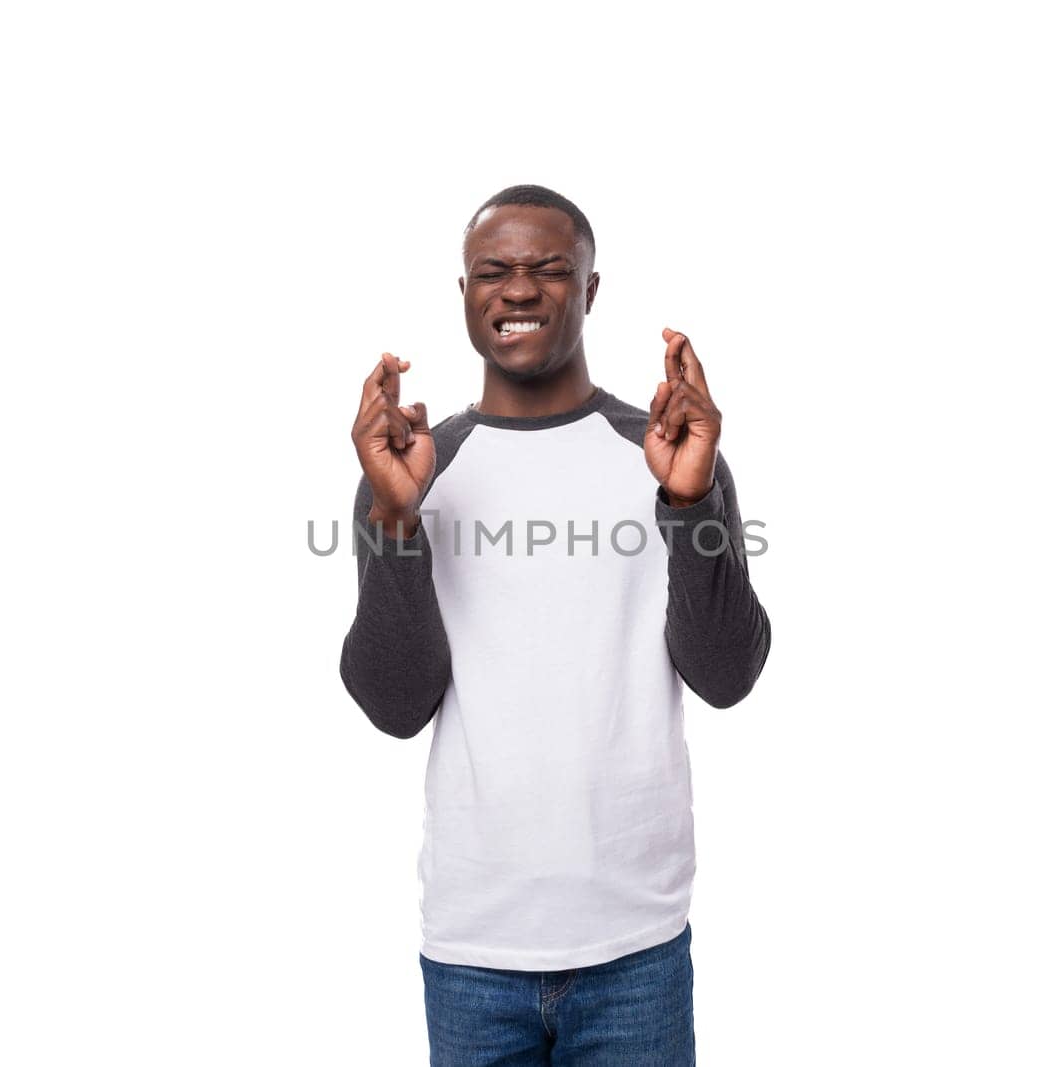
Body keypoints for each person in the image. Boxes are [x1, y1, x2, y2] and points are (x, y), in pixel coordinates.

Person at [340, 184, 771, 1065]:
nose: (521, 290)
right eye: (493, 271)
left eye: (550, 270)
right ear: (463, 293)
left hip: (636, 947)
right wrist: (395, 522)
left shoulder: (663, 453)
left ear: (591, 290)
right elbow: (395, 701)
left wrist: (690, 500)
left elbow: (726, 672)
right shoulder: (418, 471)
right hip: (473, 948)